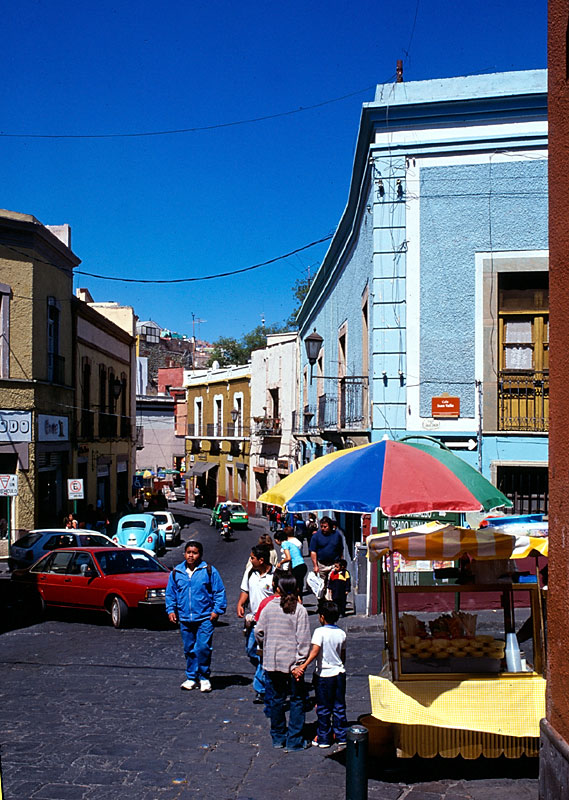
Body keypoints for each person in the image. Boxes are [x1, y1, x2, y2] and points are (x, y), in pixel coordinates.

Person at [255, 574, 311, 751]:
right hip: (293, 665)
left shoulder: (269, 608)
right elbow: (303, 640)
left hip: (272, 662)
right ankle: (294, 740)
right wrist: (300, 664)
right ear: (296, 589)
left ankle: (278, 737)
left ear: (277, 588)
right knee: (296, 700)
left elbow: (258, 631)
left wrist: (266, 646)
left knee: (277, 700)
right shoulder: (299, 610)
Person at [166, 540, 227, 693]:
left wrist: (216, 611)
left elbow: (219, 592)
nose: (191, 556)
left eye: (194, 553)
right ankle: (191, 677)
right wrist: (171, 610)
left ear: (200, 554)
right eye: (188, 552)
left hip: (205, 617)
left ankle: (204, 677)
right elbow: (171, 593)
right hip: (185, 618)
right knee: (189, 648)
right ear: (184, 553)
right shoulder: (176, 572)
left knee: (203, 647)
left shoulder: (209, 571)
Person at [292, 600, 347, 749]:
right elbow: (343, 656)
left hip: (324, 675)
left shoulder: (319, 632)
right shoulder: (341, 633)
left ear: (322, 617)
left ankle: (324, 737)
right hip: (339, 673)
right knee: (339, 706)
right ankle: (341, 735)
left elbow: (315, 652)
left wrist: (303, 665)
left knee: (323, 707)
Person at [236, 545, 275, 706]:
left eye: (252, 558)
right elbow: (245, 590)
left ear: (261, 560)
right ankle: (265, 671)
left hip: (269, 622)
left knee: (262, 655)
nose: (250, 560)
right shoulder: (250, 572)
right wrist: (240, 603)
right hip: (253, 620)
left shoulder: (275, 576)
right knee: (251, 650)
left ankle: (261, 689)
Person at [310, 516, 344, 597]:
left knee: (332, 585)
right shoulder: (316, 536)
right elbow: (313, 551)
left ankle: (330, 604)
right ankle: (321, 604)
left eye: (325, 526)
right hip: (321, 564)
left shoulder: (337, 535)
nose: (323, 528)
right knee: (321, 586)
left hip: (333, 564)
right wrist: (315, 566)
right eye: (321, 526)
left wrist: (341, 563)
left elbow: (340, 549)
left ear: (330, 526)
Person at [274, 527, 307, 598]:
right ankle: (299, 601)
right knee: (298, 587)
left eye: (275, 540)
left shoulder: (284, 544)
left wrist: (280, 563)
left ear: (278, 540)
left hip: (297, 567)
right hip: (302, 566)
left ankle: (295, 602)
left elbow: (288, 558)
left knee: (294, 588)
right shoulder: (289, 543)